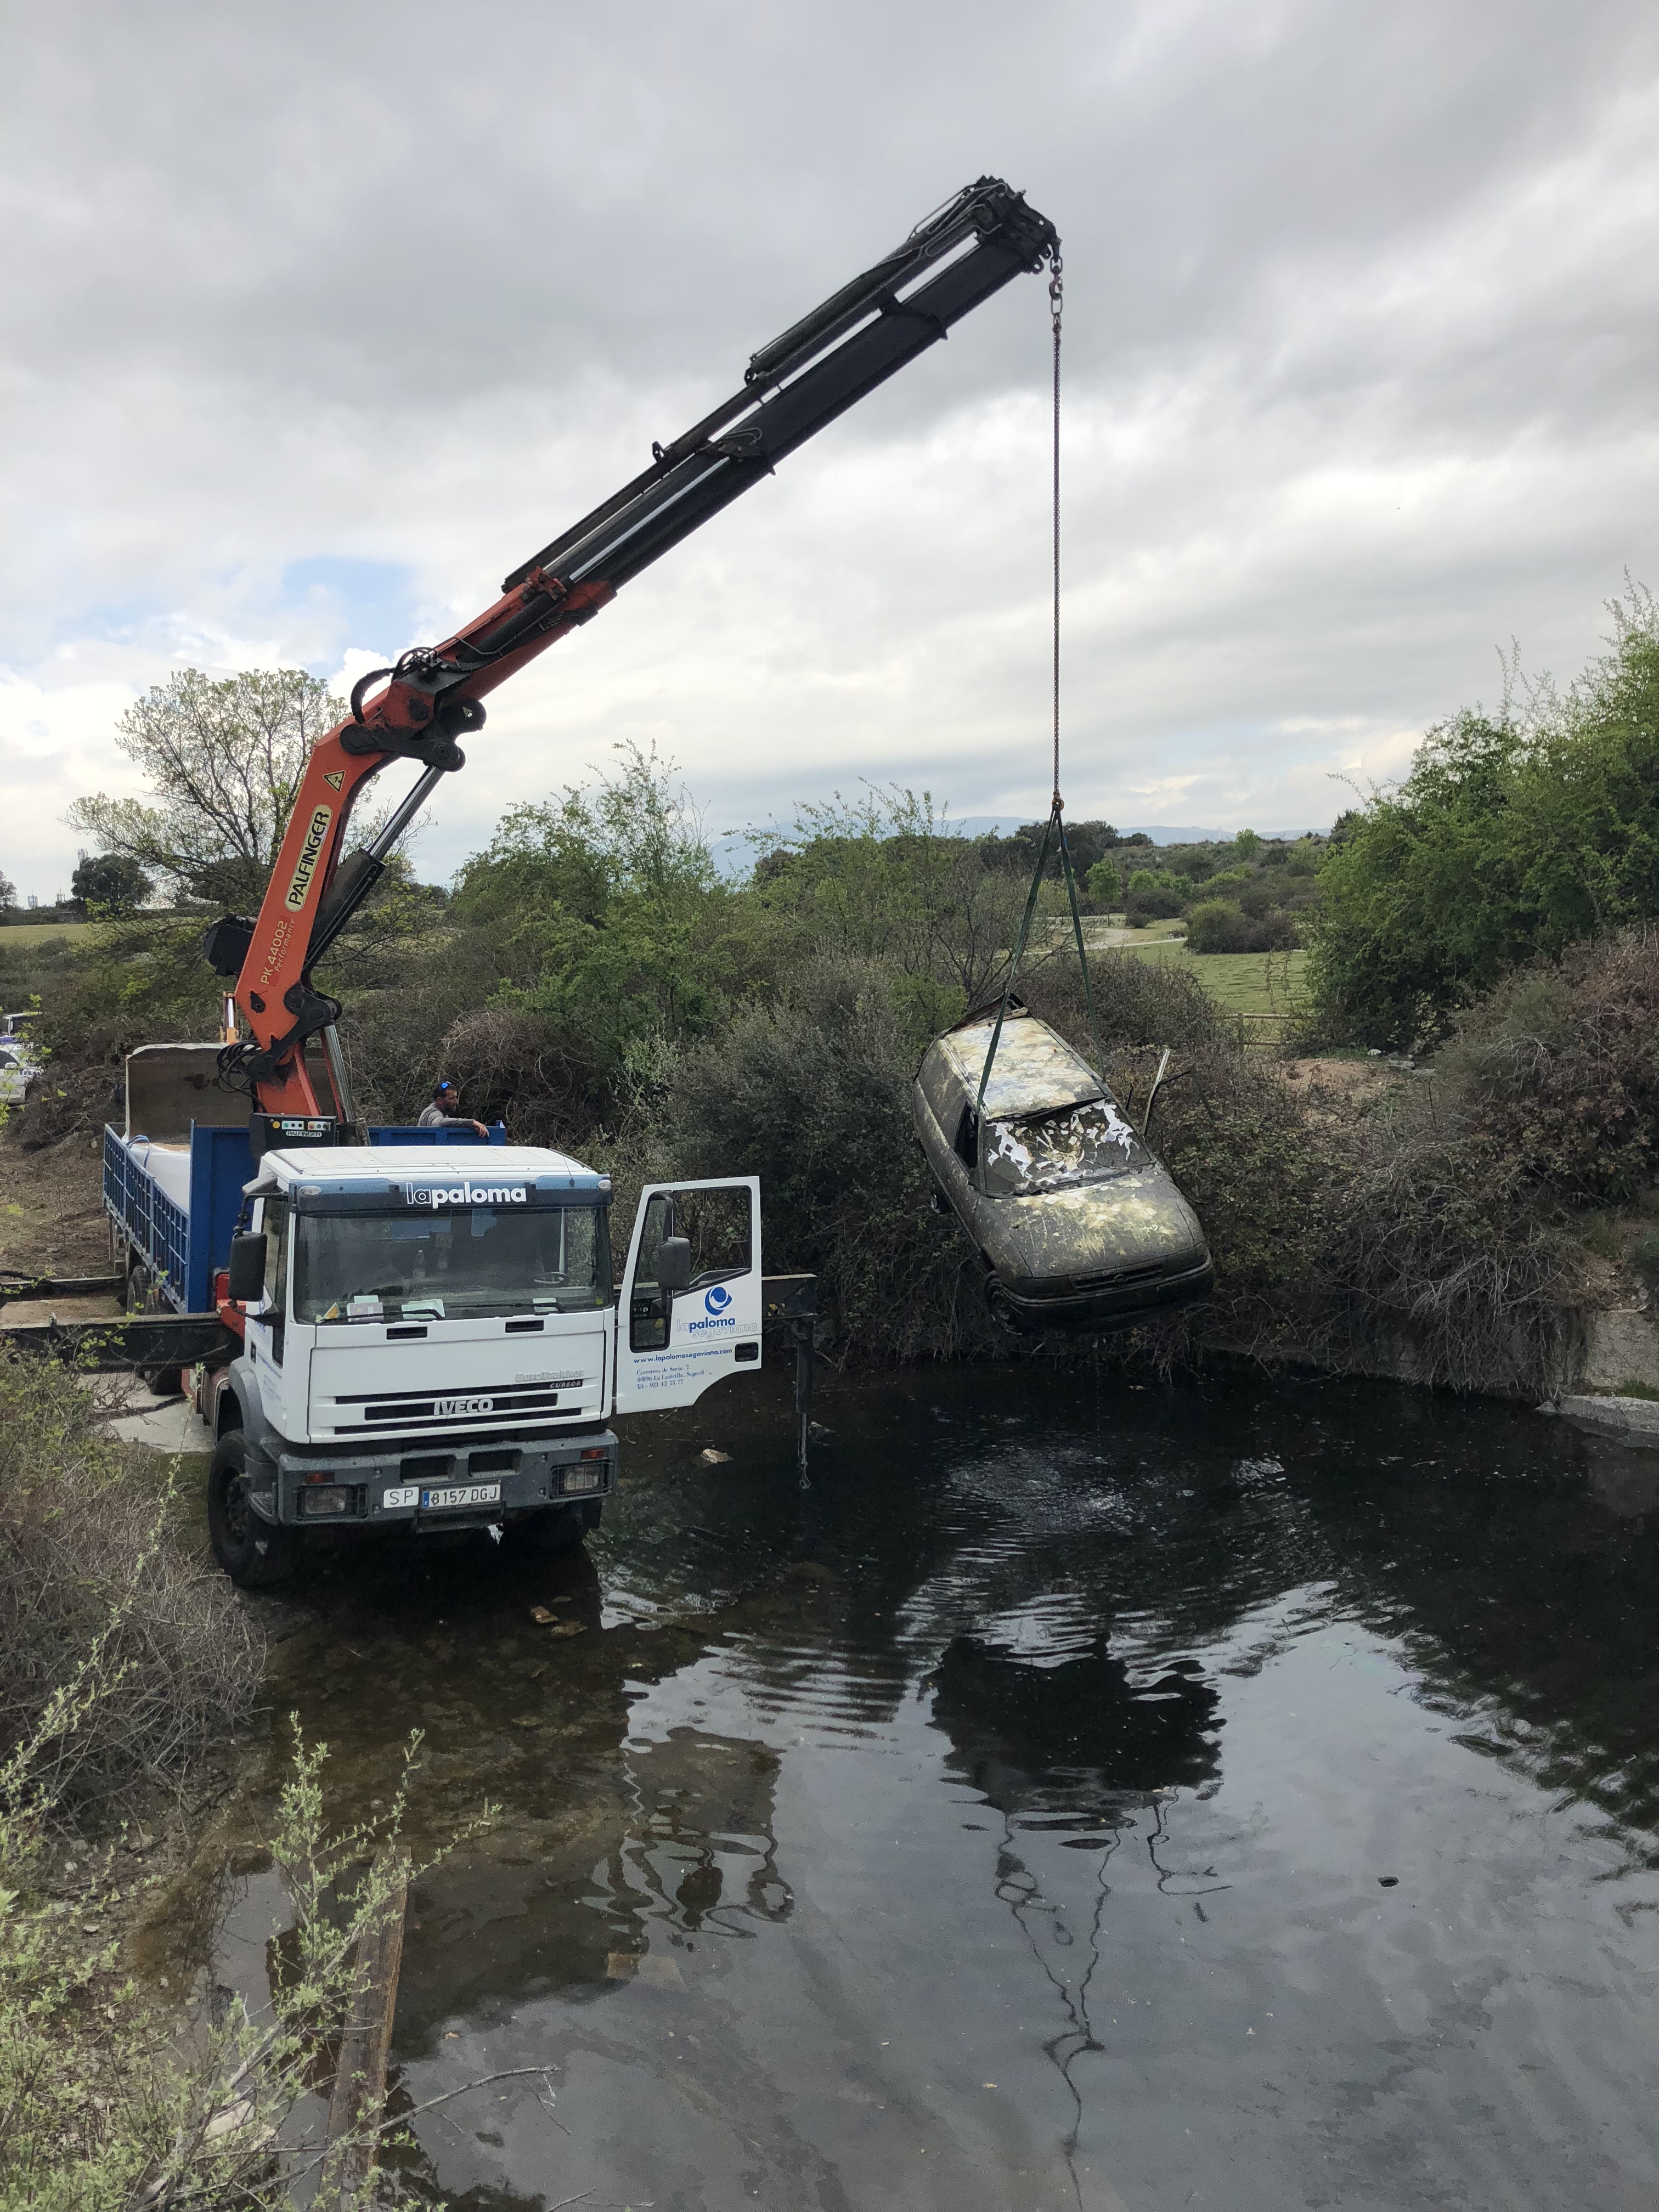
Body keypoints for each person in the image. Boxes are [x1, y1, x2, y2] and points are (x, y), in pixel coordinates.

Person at [416, 1079, 490, 1137]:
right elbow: (439, 1123)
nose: (456, 1102)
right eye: (452, 1098)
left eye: (456, 1098)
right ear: (440, 1100)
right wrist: (472, 1123)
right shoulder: (433, 1112)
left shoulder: (444, 1114)